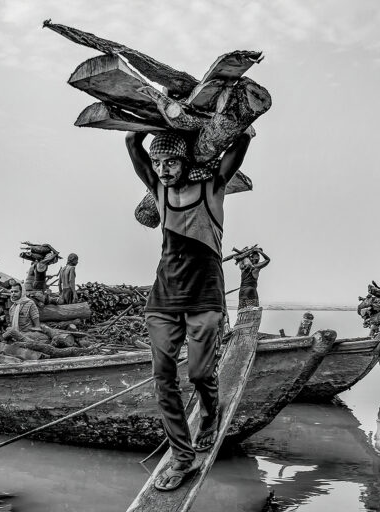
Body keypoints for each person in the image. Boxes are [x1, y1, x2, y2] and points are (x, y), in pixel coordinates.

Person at [125, 127, 253, 491]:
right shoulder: (159, 191)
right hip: (163, 299)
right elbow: (131, 142)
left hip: (205, 297)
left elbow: (240, 143)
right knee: (163, 378)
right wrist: (154, 122)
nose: (162, 169)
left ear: (185, 162)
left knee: (199, 372)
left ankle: (210, 414)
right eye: (157, 163)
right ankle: (182, 457)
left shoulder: (213, 188)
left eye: (170, 162)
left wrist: (239, 129)